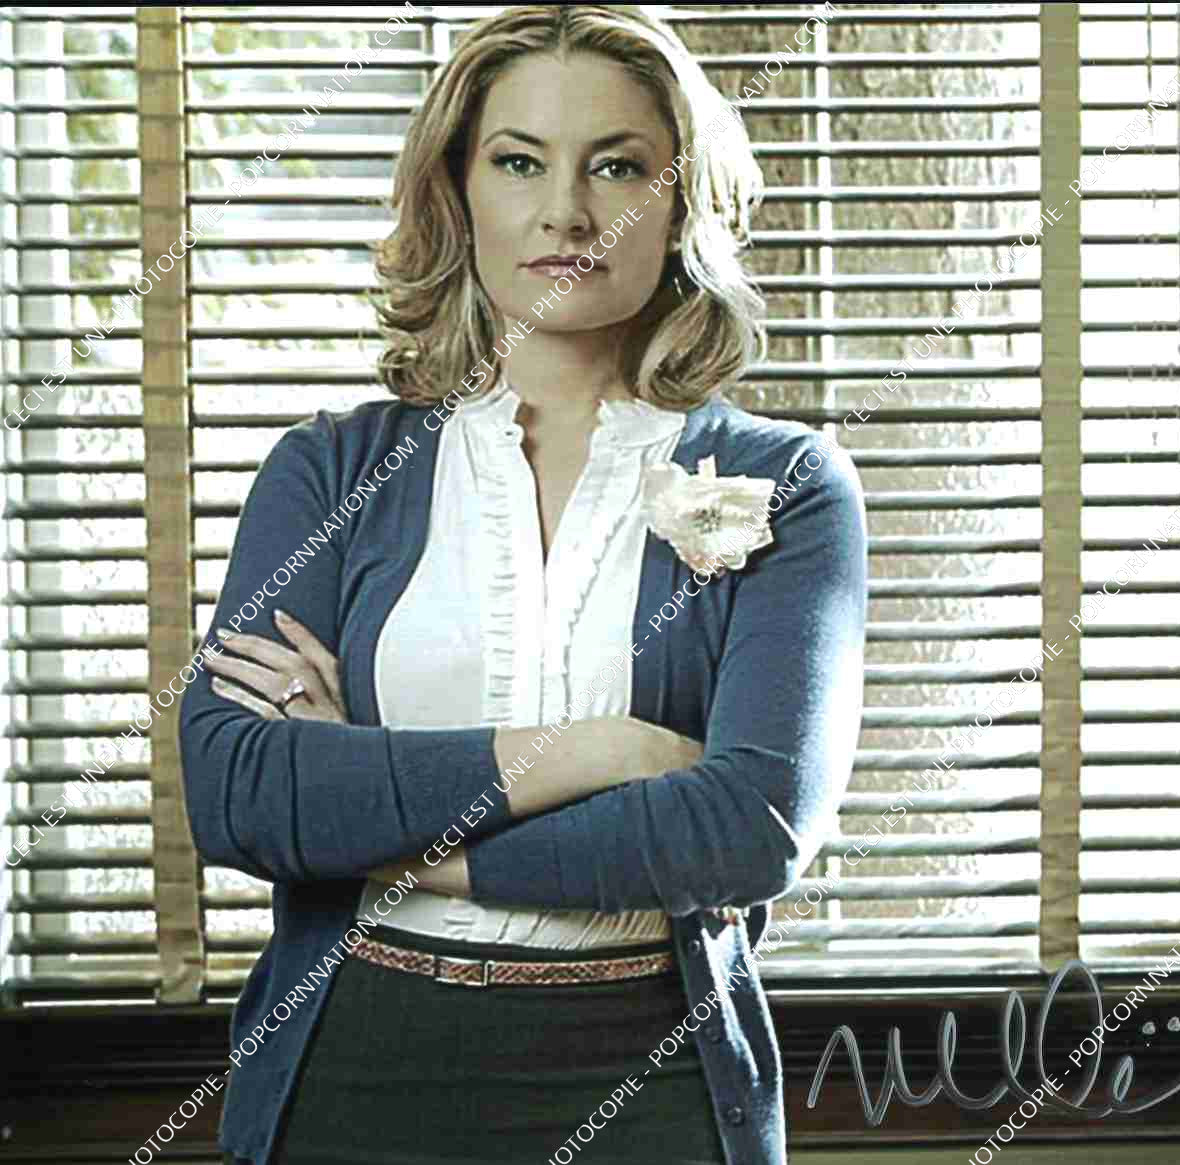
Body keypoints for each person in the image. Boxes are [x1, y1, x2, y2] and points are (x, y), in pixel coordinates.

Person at [177, 7, 866, 1164]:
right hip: (350, 1071)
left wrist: (379, 823)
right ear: (456, 191)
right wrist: (599, 751)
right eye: (518, 162)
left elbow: (748, 825)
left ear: (682, 202)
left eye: (618, 166)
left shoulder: (787, 483)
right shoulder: (330, 470)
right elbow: (241, 794)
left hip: (655, 1090)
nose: (568, 213)